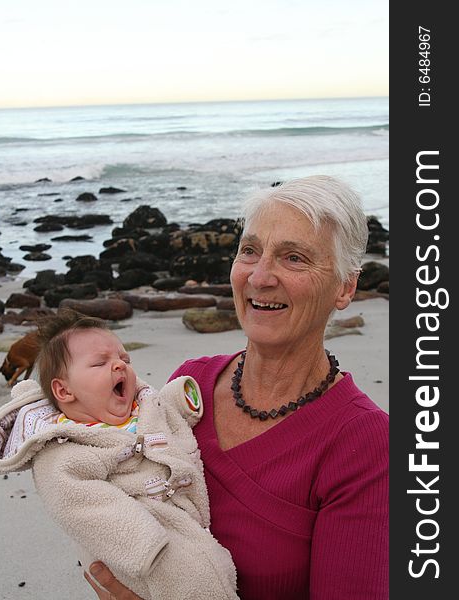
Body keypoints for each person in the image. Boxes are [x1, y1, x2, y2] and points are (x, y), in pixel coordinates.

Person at [85, 175, 389, 600]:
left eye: (294, 258)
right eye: (250, 250)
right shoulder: (190, 386)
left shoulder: (365, 443)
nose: (260, 276)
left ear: (345, 287)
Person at [0, 309, 238, 600]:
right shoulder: (64, 448)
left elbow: (161, 408)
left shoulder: (138, 407)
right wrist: (142, 542)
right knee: (196, 581)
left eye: (125, 359)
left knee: (217, 570)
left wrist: (182, 399)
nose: (119, 365)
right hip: (142, 548)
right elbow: (78, 502)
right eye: (100, 362)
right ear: (64, 390)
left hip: (182, 520)